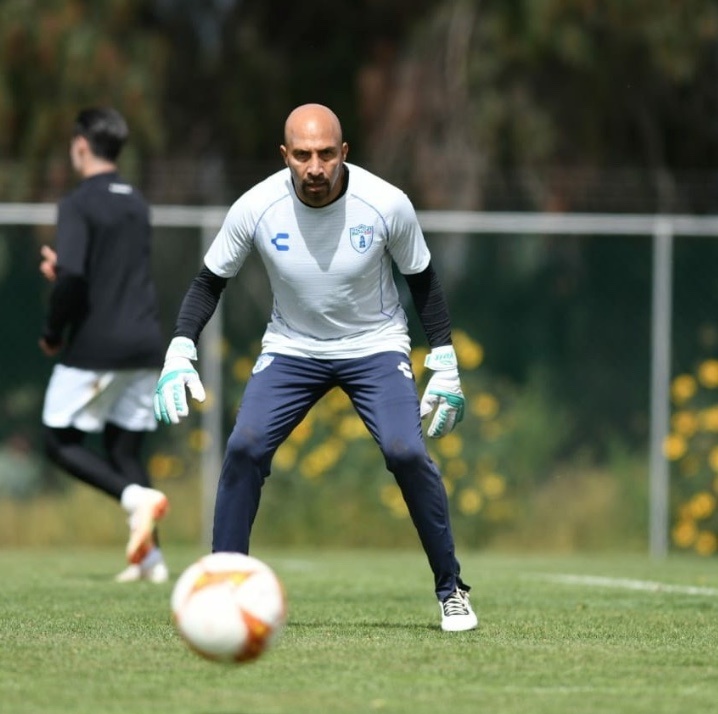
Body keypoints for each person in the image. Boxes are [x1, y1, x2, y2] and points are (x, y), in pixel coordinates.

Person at [154, 103, 478, 631]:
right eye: (302, 155)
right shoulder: (256, 207)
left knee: (405, 451)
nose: (315, 167)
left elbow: (423, 281)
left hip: (374, 345)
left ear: (344, 152)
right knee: (243, 447)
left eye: (327, 153)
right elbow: (209, 282)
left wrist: (443, 358)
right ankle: (221, 589)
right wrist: (179, 348)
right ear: (285, 156)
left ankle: (451, 590)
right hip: (292, 348)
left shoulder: (387, 204)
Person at [39, 107, 170, 583]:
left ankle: (135, 499)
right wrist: (70, 272)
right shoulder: (136, 201)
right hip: (144, 342)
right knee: (124, 452)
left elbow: (72, 274)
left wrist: (53, 333)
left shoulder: (78, 203)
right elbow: (100, 272)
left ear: (79, 145)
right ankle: (151, 561)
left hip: (98, 344)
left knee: (58, 440)